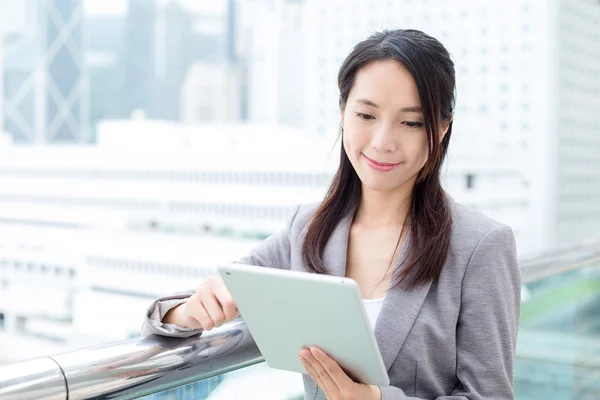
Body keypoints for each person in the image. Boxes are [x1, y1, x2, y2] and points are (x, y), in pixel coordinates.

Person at [141, 28, 521, 400]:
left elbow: (489, 395)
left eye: (411, 122)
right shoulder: (307, 230)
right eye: (366, 115)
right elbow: (199, 310)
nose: (382, 142)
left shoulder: (480, 246)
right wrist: (190, 311)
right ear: (343, 113)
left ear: (441, 128)